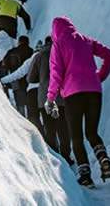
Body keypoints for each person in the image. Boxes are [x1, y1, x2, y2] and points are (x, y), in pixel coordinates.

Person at [45, 17, 110, 187]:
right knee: (92, 132)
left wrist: (50, 97)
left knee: (76, 136)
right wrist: (99, 77)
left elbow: (56, 73)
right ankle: (103, 157)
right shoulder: (86, 40)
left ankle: (85, 175)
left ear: (55, 30)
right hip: (94, 92)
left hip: (73, 94)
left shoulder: (59, 44)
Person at [29, 36, 73, 166]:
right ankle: (66, 156)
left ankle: (55, 158)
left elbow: (30, 78)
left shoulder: (39, 55)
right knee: (64, 128)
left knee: (50, 128)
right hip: (62, 96)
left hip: (45, 97)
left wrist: (42, 78)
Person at [0, 36, 35, 117]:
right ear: (28, 42)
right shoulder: (32, 52)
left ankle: (23, 122)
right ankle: (32, 122)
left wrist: (5, 82)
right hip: (29, 81)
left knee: (20, 104)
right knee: (30, 105)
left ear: (19, 42)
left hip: (16, 82)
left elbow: (4, 66)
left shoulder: (11, 52)